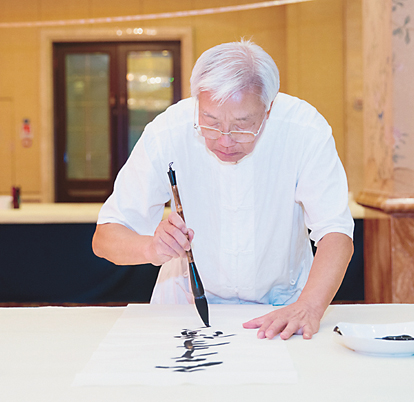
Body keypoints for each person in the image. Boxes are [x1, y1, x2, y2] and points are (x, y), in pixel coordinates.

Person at [92, 39, 354, 340]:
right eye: (210, 122)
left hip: (282, 310)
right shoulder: (167, 132)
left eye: (242, 125)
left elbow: (336, 233)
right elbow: (105, 237)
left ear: (268, 108)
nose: (225, 140)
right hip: (185, 310)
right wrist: (151, 247)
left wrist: (309, 307)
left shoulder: (304, 130)